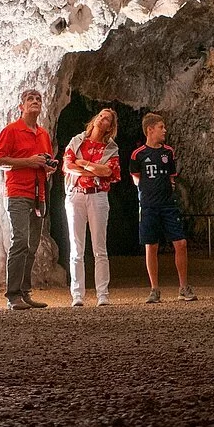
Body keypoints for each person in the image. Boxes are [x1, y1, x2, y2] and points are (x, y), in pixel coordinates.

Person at [0, 89, 57, 310]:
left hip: (39, 194)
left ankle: (25, 292)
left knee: (32, 245)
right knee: (20, 241)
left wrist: (48, 167)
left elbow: (43, 162)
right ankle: (12, 295)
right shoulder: (11, 131)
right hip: (18, 192)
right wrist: (28, 162)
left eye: (38, 99)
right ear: (21, 106)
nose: (35, 102)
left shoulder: (43, 134)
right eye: (30, 99)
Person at [130, 112, 196, 303]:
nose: (164, 130)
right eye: (161, 127)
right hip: (149, 205)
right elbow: (136, 178)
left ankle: (183, 287)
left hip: (168, 204)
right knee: (151, 246)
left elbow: (171, 177)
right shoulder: (138, 155)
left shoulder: (168, 152)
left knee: (180, 243)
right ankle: (154, 289)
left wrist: (168, 189)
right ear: (150, 130)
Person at [61, 106, 122, 306]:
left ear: (109, 127)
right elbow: (68, 165)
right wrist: (93, 170)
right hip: (76, 195)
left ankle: (102, 294)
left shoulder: (111, 148)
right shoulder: (77, 141)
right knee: (76, 248)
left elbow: (108, 172)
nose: (102, 119)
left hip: (97, 196)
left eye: (107, 119)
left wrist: (83, 164)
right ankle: (77, 295)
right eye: (101, 115)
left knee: (99, 248)